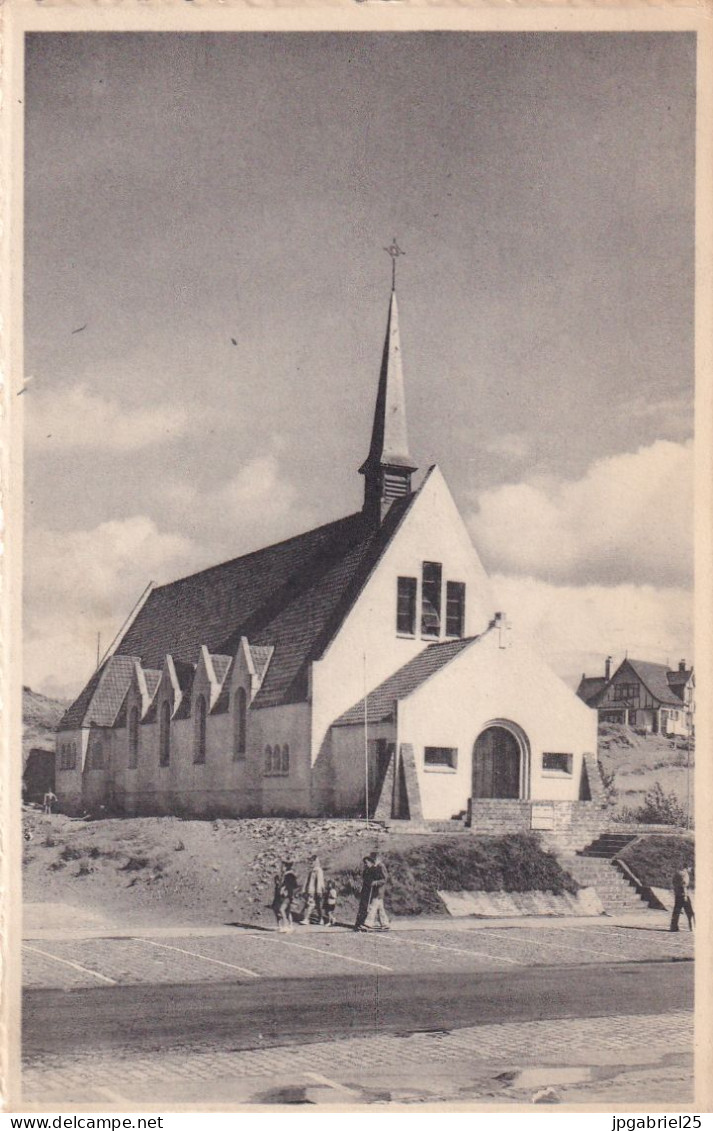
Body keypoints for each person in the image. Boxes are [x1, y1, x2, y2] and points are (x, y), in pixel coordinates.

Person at [361, 852, 390, 932]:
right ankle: (385, 924)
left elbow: (384, 879)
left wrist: (376, 882)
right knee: (380, 908)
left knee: (372, 907)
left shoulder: (381, 866)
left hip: (379, 891)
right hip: (375, 891)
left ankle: (368, 924)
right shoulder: (375, 867)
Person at [273, 860, 299, 933]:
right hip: (287, 895)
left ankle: (285, 926)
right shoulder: (286, 875)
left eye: (283, 866)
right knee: (287, 911)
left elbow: (292, 886)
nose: (282, 867)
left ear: (286, 866)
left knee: (282, 910)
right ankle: (291, 926)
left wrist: (285, 888)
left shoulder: (289, 875)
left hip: (287, 895)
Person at [298, 855, 325, 925]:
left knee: (315, 905)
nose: (311, 863)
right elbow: (307, 881)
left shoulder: (318, 870)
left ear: (316, 861)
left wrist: (319, 890)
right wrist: (304, 889)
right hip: (311, 890)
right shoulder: (312, 871)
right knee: (313, 904)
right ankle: (319, 919)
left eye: (312, 861)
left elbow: (320, 881)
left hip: (315, 890)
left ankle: (308, 919)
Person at [670, 867, 694, 932]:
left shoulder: (676, 873)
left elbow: (674, 884)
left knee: (676, 911)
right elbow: (684, 885)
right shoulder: (685, 874)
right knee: (690, 912)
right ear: (687, 867)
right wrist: (685, 895)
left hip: (677, 894)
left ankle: (673, 927)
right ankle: (693, 927)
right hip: (683, 895)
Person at [354, 855, 374, 931]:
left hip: (370, 891)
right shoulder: (365, 871)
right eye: (364, 863)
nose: (365, 864)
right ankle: (359, 923)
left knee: (366, 907)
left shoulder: (374, 870)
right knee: (362, 907)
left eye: (366, 863)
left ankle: (363, 923)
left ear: (371, 862)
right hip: (365, 890)